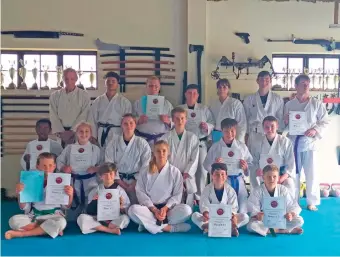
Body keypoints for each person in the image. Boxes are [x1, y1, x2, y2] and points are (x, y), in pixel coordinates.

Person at [284, 74, 329, 211]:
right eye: (303, 83)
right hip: (293, 142)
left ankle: (312, 201)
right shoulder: (289, 104)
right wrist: (286, 121)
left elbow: (325, 121)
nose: (306, 85)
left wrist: (315, 130)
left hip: (309, 143)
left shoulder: (316, 103)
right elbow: (284, 126)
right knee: (293, 173)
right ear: (296, 86)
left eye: (307, 83)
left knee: (312, 172)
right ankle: (293, 201)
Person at [128, 140, 192, 234]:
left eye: (164, 151)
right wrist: (154, 210)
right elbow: (140, 191)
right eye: (158, 151)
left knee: (187, 210)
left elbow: (177, 195)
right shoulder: (145, 171)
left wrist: (165, 209)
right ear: (153, 153)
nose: (161, 153)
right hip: (150, 209)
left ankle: (147, 224)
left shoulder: (175, 172)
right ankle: (170, 228)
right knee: (132, 210)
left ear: (168, 153)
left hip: (168, 211)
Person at [5, 152, 73, 240]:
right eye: (44, 165)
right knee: (13, 220)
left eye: (50, 165)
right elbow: (24, 207)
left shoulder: (62, 181)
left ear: (54, 166)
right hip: (34, 216)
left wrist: (70, 195)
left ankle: (23, 234)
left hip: (53, 216)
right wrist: (20, 193)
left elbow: (66, 206)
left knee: (61, 222)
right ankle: (47, 229)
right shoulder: (30, 181)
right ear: (37, 166)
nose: (47, 168)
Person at [203, 118, 253, 214]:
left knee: (243, 210)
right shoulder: (215, 147)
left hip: (239, 181)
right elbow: (206, 165)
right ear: (221, 131)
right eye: (226, 131)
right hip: (223, 181)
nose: (229, 134)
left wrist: (245, 167)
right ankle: (226, 224)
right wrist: (215, 165)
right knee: (226, 209)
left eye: (232, 131)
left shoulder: (242, 147)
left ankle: (236, 225)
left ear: (236, 130)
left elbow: (250, 163)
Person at [178, 84, 215, 202]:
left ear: (198, 95)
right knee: (187, 171)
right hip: (185, 144)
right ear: (185, 94)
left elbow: (212, 123)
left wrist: (207, 126)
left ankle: (200, 199)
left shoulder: (204, 109)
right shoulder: (180, 109)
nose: (192, 95)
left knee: (202, 171)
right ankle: (187, 198)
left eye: (194, 93)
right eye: (189, 93)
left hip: (201, 144)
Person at [105, 114, 152, 204]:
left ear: (135, 124)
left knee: (137, 207)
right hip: (117, 180)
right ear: (121, 125)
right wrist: (119, 182)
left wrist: (135, 183)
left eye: (131, 123)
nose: (128, 126)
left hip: (137, 181)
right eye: (125, 123)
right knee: (119, 206)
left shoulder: (142, 143)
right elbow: (109, 164)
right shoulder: (113, 143)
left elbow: (146, 165)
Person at [191, 163, 249, 236]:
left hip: (226, 219)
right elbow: (204, 205)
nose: (220, 177)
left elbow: (234, 207)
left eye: (222, 174)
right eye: (217, 174)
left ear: (226, 176)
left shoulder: (230, 190)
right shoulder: (207, 189)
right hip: (211, 218)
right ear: (212, 176)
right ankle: (208, 226)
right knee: (195, 215)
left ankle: (229, 227)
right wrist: (206, 213)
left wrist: (232, 215)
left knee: (245, 217)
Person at [57, 121, 101, 215]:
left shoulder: (96, 149)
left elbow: (103, 165)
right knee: (72, 217)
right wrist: (64, 168)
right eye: (81, 131)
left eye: (86, 131)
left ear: (91, 133)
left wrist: (96, 169)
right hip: (73, 183)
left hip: (91, 183)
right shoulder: (69, 148)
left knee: (90, 213)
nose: (84, 134)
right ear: (76, 133)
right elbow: (59, 161)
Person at [247, 164, 304, 236]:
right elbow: (253, 209)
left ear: (278, 178)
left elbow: (292, 205)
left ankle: (270, 230)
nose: (271, 179)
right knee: (251, 226)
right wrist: (258, 215)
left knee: (299, 220)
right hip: (264, 220)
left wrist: (290, 214)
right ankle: (283, 230)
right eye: (268, 177)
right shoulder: (257, 191)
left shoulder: (283, 189)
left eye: (274, 176)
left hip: (281, 219)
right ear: (263, 177)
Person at [159, 107, 199, 207]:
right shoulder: (165, 138)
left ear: (186, 119)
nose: (180, 121)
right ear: (172, 120)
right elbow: (162, 158)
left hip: (187, 177)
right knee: (171, 206)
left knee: (187, 208)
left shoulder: (192, 137)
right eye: (177, 118)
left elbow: (194, 159)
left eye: (182, 118)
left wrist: (185, 174)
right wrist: (173, 174)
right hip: (170, 176)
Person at [77, 163, 130, 235]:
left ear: (115, 175)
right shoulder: (96, 190)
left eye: (111, 174)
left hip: (114, 219)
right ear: (101, 176)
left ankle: (100, 228)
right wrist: (94, 201)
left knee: (125, 218)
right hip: (98, 218)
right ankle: (110, 230)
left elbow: (125, 211)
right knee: (81, 218)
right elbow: (89, 211)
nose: (108, 177)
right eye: (105, 174)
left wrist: (121, 206)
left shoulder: (120, 191)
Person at [249, 116, 296, 197]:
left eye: (272, 126)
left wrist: (282, 177)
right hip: (263, 174)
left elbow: (291, 163)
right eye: (266, 127)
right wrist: (257, 170)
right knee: (254, 179)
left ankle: (289, 207)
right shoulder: (257, 142)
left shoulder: (285, 142)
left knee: (289, 183)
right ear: (263, 128)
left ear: (277, 126)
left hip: (280, 174)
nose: (269, 129)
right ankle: (259, 205)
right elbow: (254, 161)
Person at [88, 72, 132, 149]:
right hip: (101, 132)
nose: (110, 83)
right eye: (108, 81)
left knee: (117, 154)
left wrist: (127, 136)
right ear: (105, 83)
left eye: (113, 81)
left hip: (118, 133)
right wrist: (94, 136)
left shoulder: (125, 102)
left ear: (117, 83)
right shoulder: (98, 101)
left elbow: (128, 122)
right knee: (102, 155)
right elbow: (92, 119)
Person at [49, 68, 91, 148]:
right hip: (61, 134)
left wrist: (72, 131)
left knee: (76, 156)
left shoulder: (84, 95)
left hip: (77, 133)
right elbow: (53, 114)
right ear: (63, 79)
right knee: (60, 157)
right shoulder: (55, 96)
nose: (69, 81)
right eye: (66, 79)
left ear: (76, 79)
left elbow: (84, 114)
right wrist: (61, 133)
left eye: (72, 79)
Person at [243, 71, 284, 148]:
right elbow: (245, 119)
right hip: (255, 134)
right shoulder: (249, 99)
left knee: (270, 158)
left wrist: (279, 135)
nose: (264, 82)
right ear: (257, 81)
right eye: (261, 79)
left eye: (267, 80)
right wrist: (246, 136)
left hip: (272, 134)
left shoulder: (277, 99)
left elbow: (280, 118)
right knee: (254, 158)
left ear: (271, 81)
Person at [133, 76, 173, 148]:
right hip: (142, 139)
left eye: (156, 86)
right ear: (146, 87)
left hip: (161, 140)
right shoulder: (138, 103)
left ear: (159, 87)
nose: (153, 88)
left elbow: (175, 122)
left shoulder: (167, 104)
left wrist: (168, 121)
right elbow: (129, 120)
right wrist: (138, 120)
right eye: (150, 86)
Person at [209, 78, 247, 143]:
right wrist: (209, 138)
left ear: (228, 89)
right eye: (219, 87)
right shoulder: (213, 104)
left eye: (224, 87)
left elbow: (242, 124)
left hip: (231, 135)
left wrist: (239, 141)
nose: (221, 89)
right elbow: (211, 122)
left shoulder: (236, 103)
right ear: (217, 89)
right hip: (216, 135)